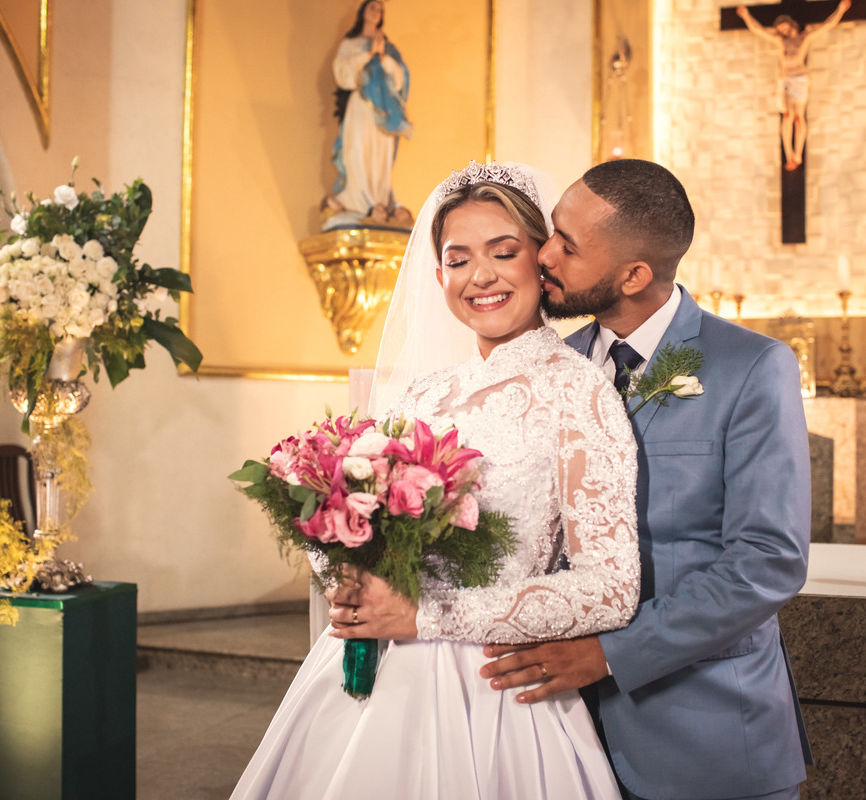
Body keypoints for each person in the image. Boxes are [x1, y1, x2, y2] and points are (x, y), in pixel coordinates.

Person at [229, 161, 640, 799]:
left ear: (542, 259)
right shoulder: (422, 393)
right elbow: (353, 519)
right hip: (373, 678)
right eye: (457, 259)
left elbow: (611, 590)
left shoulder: (578, 390)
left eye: (504, 252)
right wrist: (342, 568)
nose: (481, 277)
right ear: (439, 273)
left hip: (496, 691)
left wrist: (428, 616)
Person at [479, 159, 812, 800]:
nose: (541, 254)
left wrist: (608, 654)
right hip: (559, 736)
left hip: (706, 734)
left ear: (634, 274)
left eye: (568, 247)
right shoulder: (551, 365)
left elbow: (767, 561)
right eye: (552, 232)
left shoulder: (752, 368)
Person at [323, 0, 413, 230]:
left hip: (382, 109)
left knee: (380, 157)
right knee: (357, 150)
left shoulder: (388, 47)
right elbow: (342, 74)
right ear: (362, 11)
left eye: (380, 9)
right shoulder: (351, 43)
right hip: (361, 105)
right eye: (372, 6)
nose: (376, 11)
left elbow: (401, 79)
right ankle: (357, 202)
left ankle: (379, 205)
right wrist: (367, 55)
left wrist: (383, 58)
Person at [737, 0, 851, 170]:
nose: (782, 30)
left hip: (800, 79)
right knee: (787, 116)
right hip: (785, 80)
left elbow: (827, 26)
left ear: (791, 25)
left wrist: (840, 10)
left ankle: (797, 154)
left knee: (798, 118)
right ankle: (789, 155)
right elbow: (758, 30)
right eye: (779, 28)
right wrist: (746, 16)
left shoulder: (803, 38)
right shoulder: (779, 41)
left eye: (784, 26)